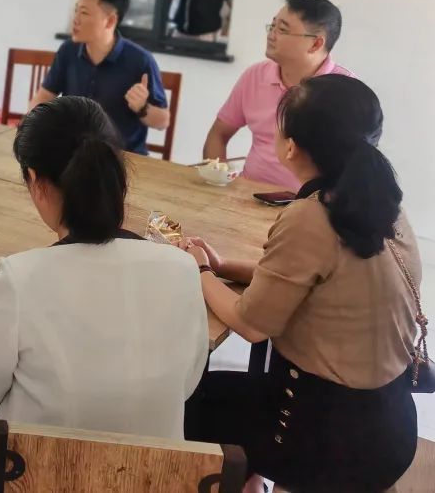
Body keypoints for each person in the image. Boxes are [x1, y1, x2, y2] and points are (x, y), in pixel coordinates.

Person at [180, 75, 421, 492]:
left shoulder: (310, 216)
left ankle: (243, 478)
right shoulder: (385, 206)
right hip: (391, 428)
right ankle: (251, 479)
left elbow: (250, 324)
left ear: (290, 147)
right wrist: (223, 266)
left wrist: (199, 270)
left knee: (188, 400)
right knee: (229, 392)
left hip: (323, 439)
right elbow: (321, 281)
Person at [0, 96, 208, 485]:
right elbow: (187, 384)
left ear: (35, 181)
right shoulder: (183, 268)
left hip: (39, 478)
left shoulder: (19, 277)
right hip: (151, 477)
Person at [203, 0, 354, 190]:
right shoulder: (255, 76)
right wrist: (218, 181)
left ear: (316, 44)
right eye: (272, 26)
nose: (271, 35)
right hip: (247, 194)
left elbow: (354, 166)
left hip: (309, 203)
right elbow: (218, 134)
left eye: (282, 29)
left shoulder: (347, 91)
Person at [30, 0, 169, 155]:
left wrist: (142, 107)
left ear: (110, 21)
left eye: (84, 13)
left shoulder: (141, 60)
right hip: (74, 154)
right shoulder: (68, 50)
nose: (75, 20)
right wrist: (30, 128)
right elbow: (43, 97)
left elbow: (162, 121)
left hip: (122, 158)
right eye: (76, 11)